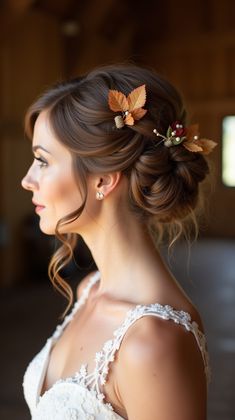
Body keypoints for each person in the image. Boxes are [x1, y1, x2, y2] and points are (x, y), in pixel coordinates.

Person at [21, 64, 216, 420]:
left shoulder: (154, 340)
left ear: (104, 180)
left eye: (42, 161)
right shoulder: (90, 289)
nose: (27, 180)